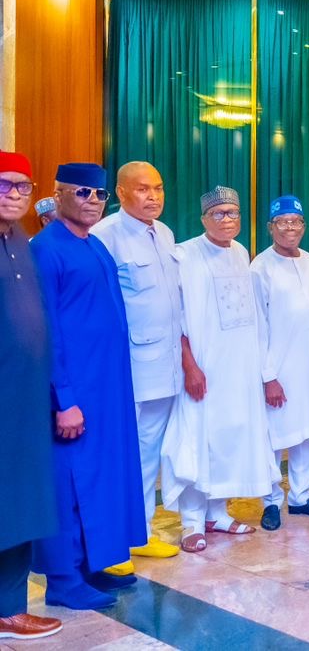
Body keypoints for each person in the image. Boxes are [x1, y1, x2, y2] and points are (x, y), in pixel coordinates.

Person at [30, 163, 145, 609]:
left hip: (106, 391)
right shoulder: (46, 249)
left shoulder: (95, 244)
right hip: (73, 393)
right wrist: (65, 400)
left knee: (99, 479)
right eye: (82, 193)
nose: (93, 201)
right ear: (58, 194)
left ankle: (91, 564)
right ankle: (63, 580)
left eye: (99, 194)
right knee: (69, 485)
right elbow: (46, 332)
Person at [162, 186, 279, 554]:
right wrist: (190, 365)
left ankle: (217, 514)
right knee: (200, 440)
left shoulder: (241, 252)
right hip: (203, 369)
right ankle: (192, 522)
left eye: (233, 213)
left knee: (230, 439)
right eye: (219, 213)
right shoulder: (185, 255)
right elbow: (175, 317)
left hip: (238, 370)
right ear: (203, 218)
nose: (227, 220)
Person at [92, 162, 183, 569]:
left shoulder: (164, 233)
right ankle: (110, 544)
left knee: (148, 455)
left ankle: (139, 531)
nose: (154, 197)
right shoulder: (105, 236)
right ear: (121, 193)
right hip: (127, 368)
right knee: (118, 455)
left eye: (158, 188)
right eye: (143, 189)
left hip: (165, 365)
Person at [0, 152, 62, 639]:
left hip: (25, 398)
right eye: (6, 185)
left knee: (21, 503)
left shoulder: (22, 239)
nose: (16, 194)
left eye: (23, 186)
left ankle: (10, 607)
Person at [250, 196, 309, 529]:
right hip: (277, 369)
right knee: (273, 437)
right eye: (283, 222)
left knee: (308, 433)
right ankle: (271, 501)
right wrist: (268, 376)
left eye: (296, 221)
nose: (290, 228)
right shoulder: (260, 268)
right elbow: (257, 326)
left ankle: (301, 497)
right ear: (270, 227)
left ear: (304, 226)